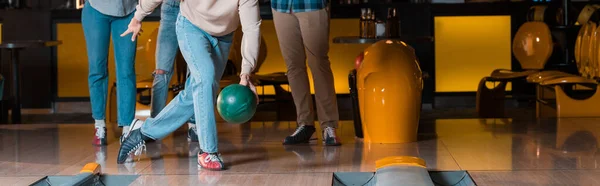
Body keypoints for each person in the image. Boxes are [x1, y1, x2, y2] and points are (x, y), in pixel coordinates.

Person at [117, 0, 261, 171]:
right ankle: (208, 151)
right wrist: (138, 16)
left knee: (196, 92)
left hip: (224, 37)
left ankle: (142, 132)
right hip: (192, 27)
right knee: (205, 79)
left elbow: (252, 28)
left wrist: (246, 72)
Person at [271, 0, 341, 146]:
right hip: (281, 6)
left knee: (318, 63)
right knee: (293, 66)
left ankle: (328, 125)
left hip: (311, 4)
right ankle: (305, 124)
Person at [81, 0, 139, 146]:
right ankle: (99, 125)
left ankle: (127, 128)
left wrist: (140, 14)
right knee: (97, 68)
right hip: (96, 10)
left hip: (128, 11)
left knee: (126, 70)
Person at [149, 0, 198, 142]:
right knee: (161, 73)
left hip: (195, 9)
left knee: (194, 72)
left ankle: (193, 125)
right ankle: (153, 127)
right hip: (170, 9)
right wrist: (139, 15)